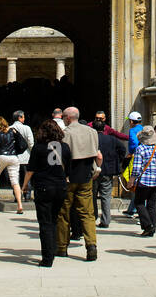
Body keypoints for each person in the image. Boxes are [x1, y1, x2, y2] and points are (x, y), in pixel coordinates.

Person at [24, 120, 71, 266]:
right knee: (54, 220)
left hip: (44, 187)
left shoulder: (39, 148)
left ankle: (47, 257)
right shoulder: (65, 147)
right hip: (60, 187)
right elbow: (69, 168)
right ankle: (54, 250)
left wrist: (24, 186)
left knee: (45, 223)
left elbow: (31, 169)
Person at [56, 107, 101, 260]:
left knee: (64, 213)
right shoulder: (92, 132)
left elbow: (59, 158)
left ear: (68, 118)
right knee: (87, 213)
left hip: (69, 177)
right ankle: (91, 245)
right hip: (86, 176)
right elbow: (96, 153)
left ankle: (62, 247)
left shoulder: (64, 134)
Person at [93, 117, 129, 228]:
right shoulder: (112, 139)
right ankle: (106, 220)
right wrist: (117, 160)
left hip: (93, 170)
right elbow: (122, 149)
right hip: (108, 170)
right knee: (106, 197)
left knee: (91, 196)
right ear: (104, 128)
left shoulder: (91, 139)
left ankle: (93, 217)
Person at [129, 126, 156, 237]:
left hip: (144, 181)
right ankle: (152, 227)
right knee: (152, 204)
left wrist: (131, 180)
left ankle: (148, 226)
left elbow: (136, 168)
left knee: (139, 203)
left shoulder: (140, 149)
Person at [0, 115, 24, 214]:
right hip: (13, 157)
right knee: (15, 181)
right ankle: (19, 205)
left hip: (1, 157)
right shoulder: (13, 131)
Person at [11, 110, 34, 203]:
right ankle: (27, 195)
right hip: (26, 156)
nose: (24, 118)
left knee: (15, 178)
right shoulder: (27, 128)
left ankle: (17, 196)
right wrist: (33, 153)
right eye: (23, 117)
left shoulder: (9, 128)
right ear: (20, 118)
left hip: (14, 157)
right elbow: (31, 143)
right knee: (26, 176)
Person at [124, 111, 144, 217]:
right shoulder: (143, 128)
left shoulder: (132, 131)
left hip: (134, 157)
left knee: (132, 181)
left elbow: (134, 142)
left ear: (131, 121)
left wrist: (132, 152)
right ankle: (132, 208)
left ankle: (134, 209)